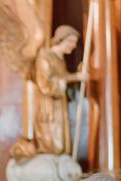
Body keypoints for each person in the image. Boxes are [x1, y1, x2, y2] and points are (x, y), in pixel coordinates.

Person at [32, 25, 87, 155]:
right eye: (70, 41)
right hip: (49, 106)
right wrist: (74, 77)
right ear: (60, 40)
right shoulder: (44, 56)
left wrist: (77, 78)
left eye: (74, 42)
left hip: (60, 105)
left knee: (62, 142)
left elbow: (65, 84)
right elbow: (46, 83)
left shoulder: (60, 59)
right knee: (53, 142)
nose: (73, 46)